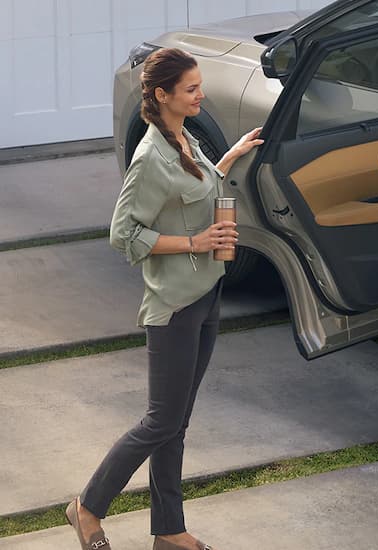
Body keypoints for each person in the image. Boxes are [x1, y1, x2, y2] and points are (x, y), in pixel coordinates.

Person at [65, 48, 262, 550]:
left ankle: (170, 530)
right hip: (174, 305)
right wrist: (195, 242)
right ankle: (87, 508)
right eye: (191, 89)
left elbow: (195, 186)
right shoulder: (150, 157)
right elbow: (123, 234)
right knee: (161, 421)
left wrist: (231, 156)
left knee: (177, 422)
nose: (201, 95)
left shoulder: (184, 137)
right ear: (162, 94)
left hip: (206, 292)